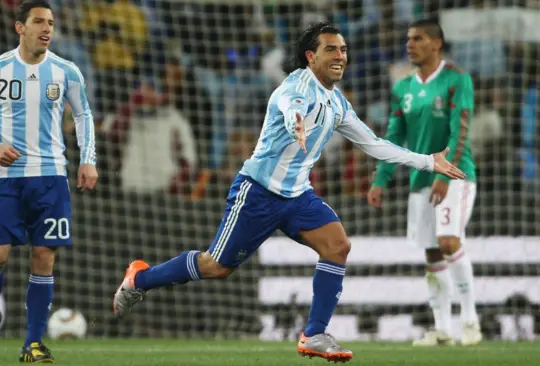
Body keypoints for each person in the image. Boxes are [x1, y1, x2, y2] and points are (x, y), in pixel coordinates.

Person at [113, 22, 464, 363]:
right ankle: (139, 278)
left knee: (338, 245)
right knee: (216, 266)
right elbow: (288, 105)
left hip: (297, 196)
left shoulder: (337, 102)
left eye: (343, 49)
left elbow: (372, 143)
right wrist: (296, 120)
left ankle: (314, 334)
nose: (340, 55)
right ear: (311, 57)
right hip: (258, 193)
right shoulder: (295, 87)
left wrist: (428, 162)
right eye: (331, 50)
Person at [367, 19, 482, 347]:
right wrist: (380, 179)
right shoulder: (401, 88)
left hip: (455, 176)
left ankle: (471, 321)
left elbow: (460, 130)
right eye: (408, 39)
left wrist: (445, 173)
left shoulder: (456, 79)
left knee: (449, 242)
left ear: (436, 43)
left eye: (417, 39)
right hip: (420, 180)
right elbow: (393, 137)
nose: (409, 44)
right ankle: (442, 327)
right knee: (432, 252)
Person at [0, 1, 98, 362]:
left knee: (43, 257)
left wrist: (88, 160)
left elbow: (84, 115)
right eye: (38, 22)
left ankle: (33, 343)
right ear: (19, 28)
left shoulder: (66, 71)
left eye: (51, 23)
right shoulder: (0, 68)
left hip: (50, 177)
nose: (47, 29)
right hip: (4, 178)